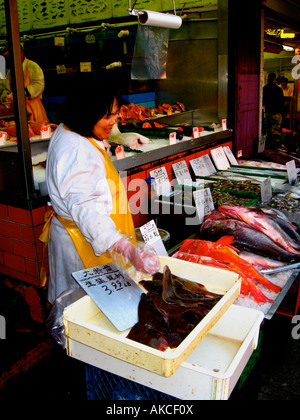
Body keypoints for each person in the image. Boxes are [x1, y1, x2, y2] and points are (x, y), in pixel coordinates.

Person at [41, 72, 160, 304]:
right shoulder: (76, 149)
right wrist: (128, 250)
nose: (114, 121)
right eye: (107, 116)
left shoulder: (76, 130)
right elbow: (87, 209)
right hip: (81, 244)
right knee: (81, 312)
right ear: (86, 112)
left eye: (115, 113)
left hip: (88, 236)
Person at [1, 45, 48, 123]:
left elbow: (39, 85)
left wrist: (23, 92)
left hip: (33, 109)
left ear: (21, 52)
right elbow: (6, 89)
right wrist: (5, 97)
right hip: (17, 110)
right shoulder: (10, 71)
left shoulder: (32, 66)